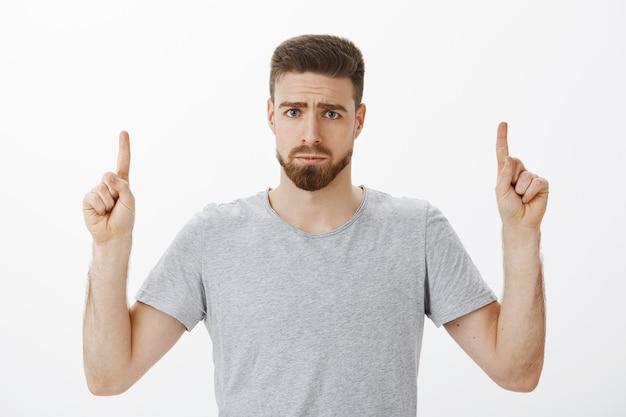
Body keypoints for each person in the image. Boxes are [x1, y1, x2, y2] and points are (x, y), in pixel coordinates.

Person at [82, 34, 548, 416]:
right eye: (293, 112)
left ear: (358, 120)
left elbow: (516, 372)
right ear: (271, 116)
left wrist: (522, 236)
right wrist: (110, 246)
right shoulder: (214, 236)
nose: (310, 134)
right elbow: (109, 377)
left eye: (330, 113)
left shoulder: (416, 231)